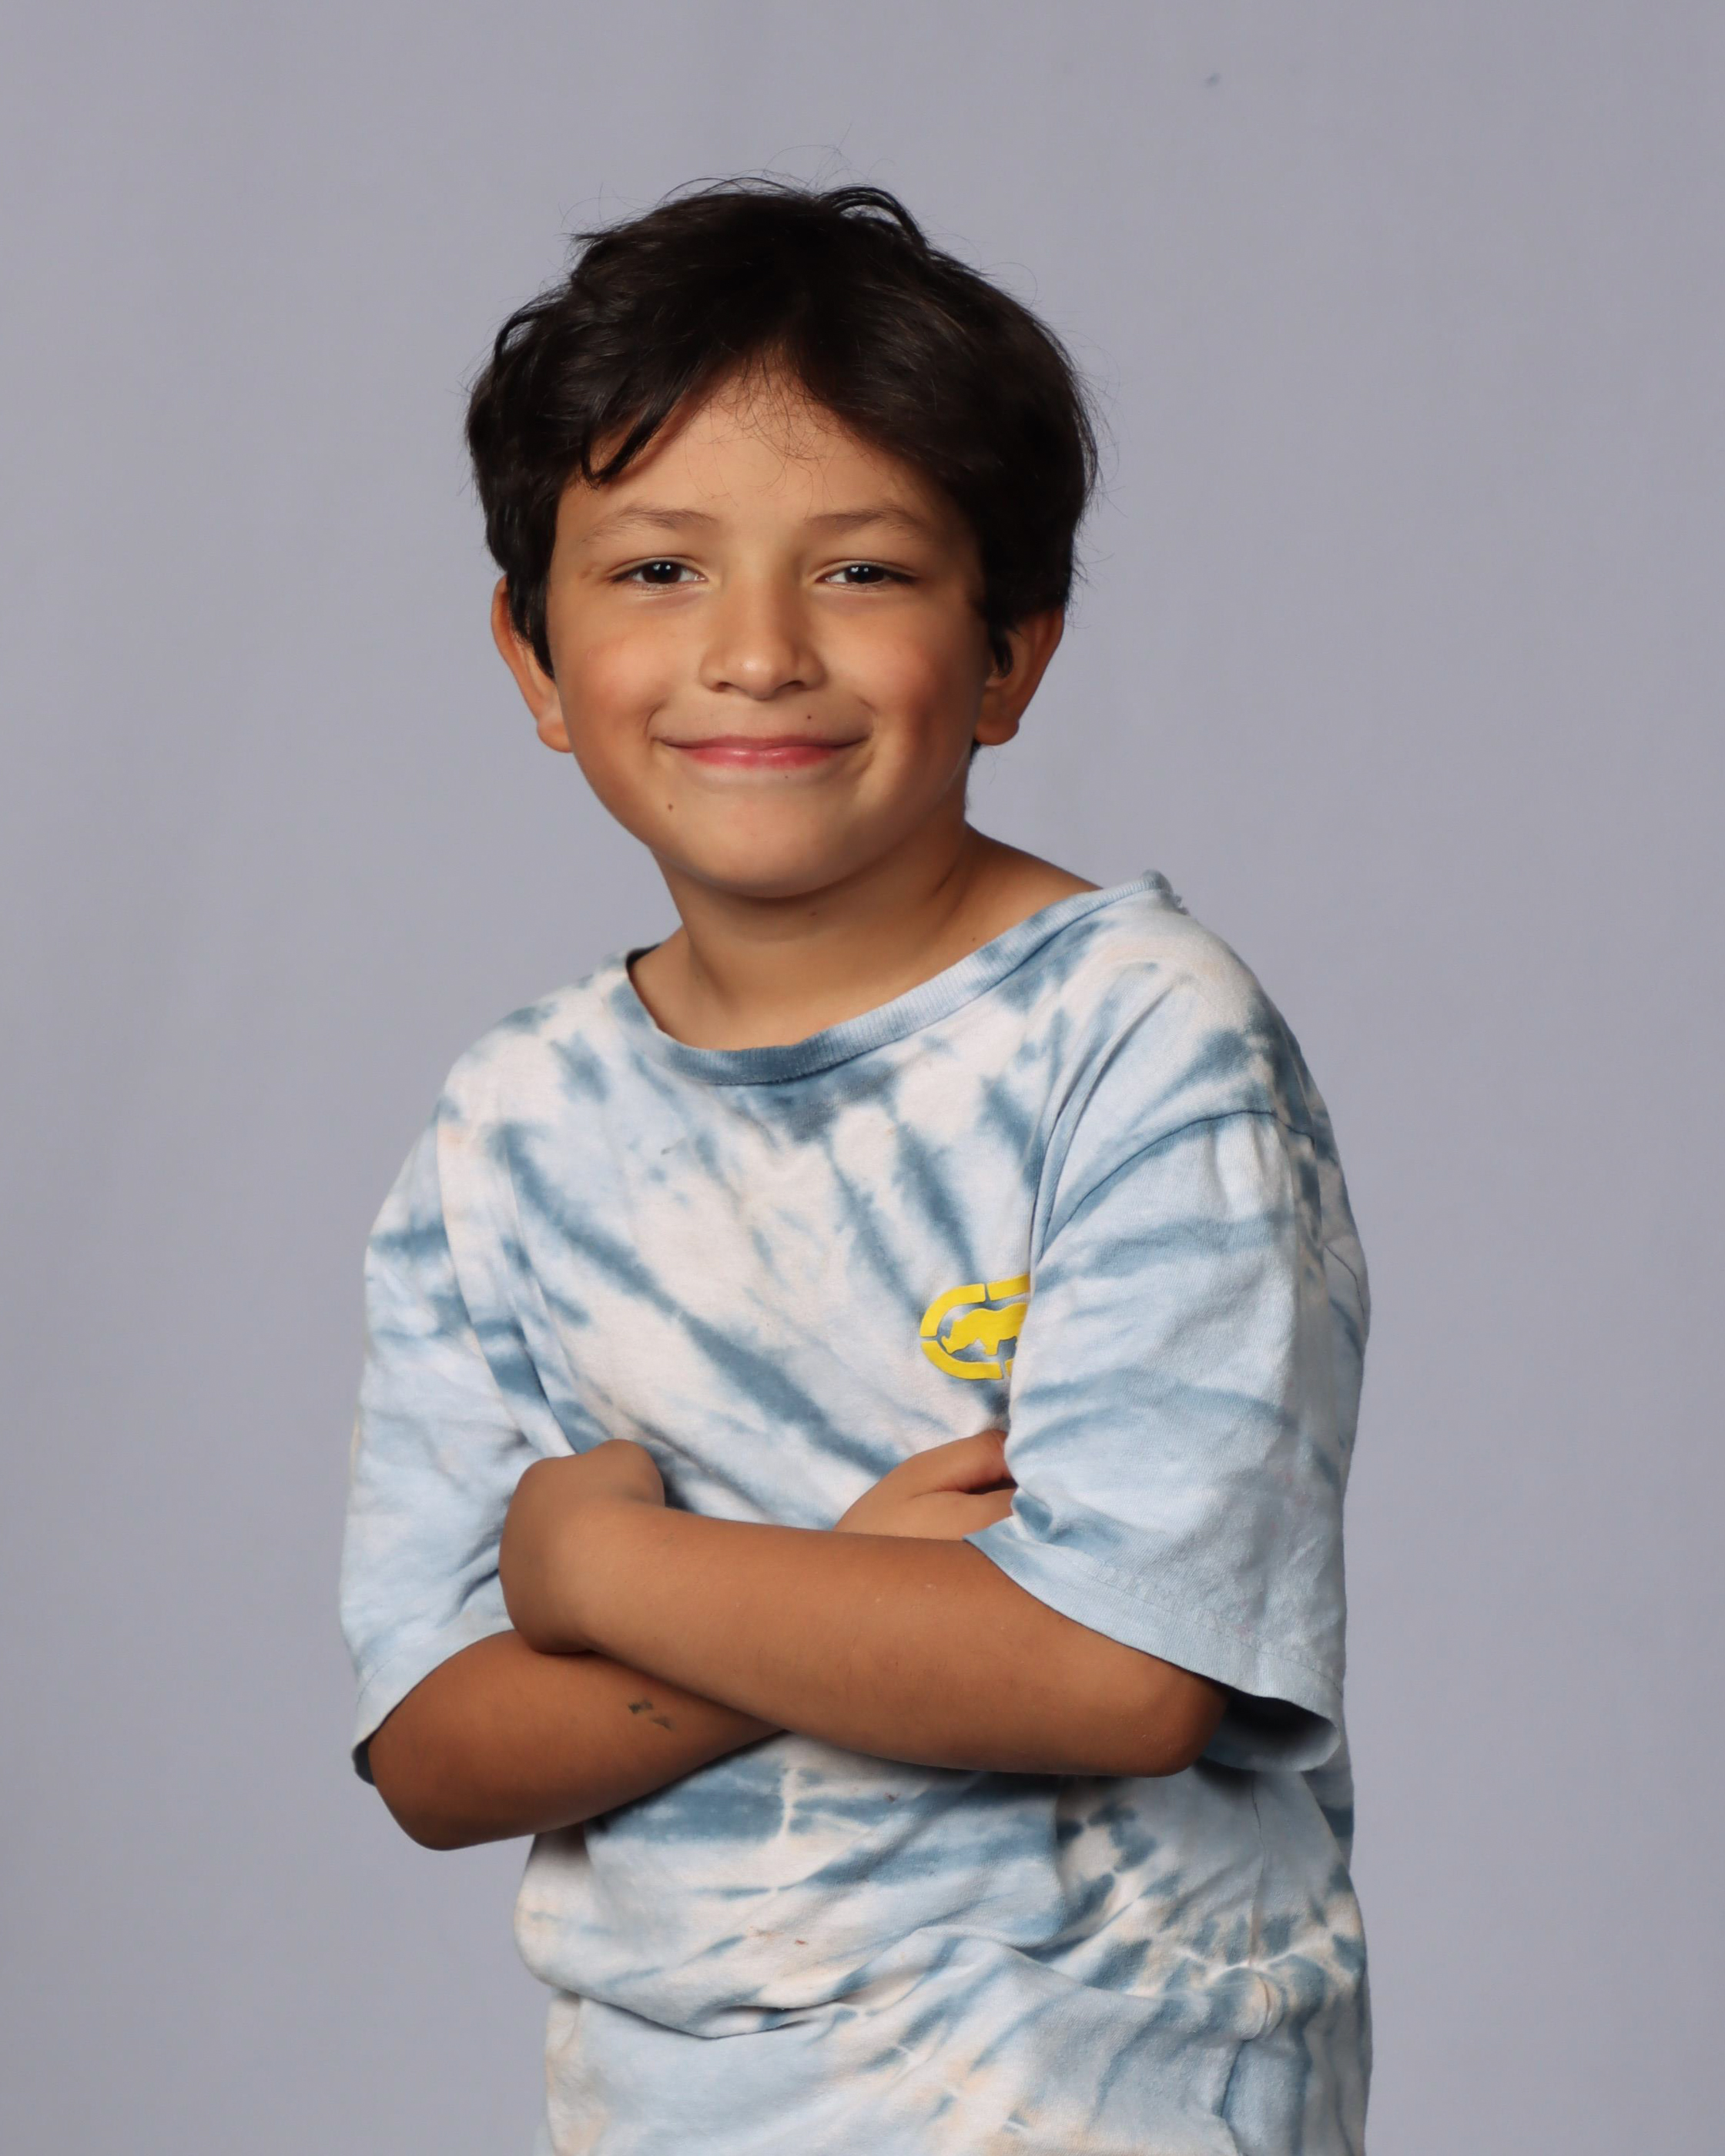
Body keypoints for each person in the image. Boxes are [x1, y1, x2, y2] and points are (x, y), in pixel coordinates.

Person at [340, 178, 1372, 2156]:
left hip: (1102, 2098)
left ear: (1007, 655)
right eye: (657, 568)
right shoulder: (512, 1124)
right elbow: (437, 1748)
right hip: (675, 2107)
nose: (754, 653)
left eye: (863, 570)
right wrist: (852, 1581)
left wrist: (606, 1570)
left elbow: (1120, 1670)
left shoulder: (1137, 1038)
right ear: (533, 656)